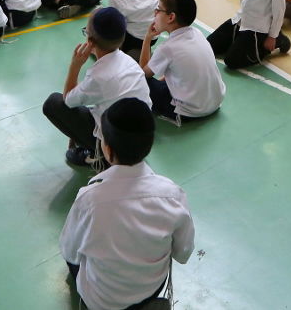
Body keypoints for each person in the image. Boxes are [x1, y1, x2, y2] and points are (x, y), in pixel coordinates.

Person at [59, 98, 195, 310]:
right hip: (151, 292)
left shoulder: (89, 199)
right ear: (149, 145)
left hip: (102, 302)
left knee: (74, 257)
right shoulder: (173, 196)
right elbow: (183, 253)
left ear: (108, 150)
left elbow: (70, 250)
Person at [42, 7, 151, 168]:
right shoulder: (130, 63)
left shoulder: (98, 76)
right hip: (143, 139)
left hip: (116, 145)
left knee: (53, 103)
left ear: (90, 42)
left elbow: (68, 100)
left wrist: (75, 66)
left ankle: (98, 155)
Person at [139, 0, 225, 123]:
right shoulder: (197, 33)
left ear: (171, 17)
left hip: (189, 112)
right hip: (215, 101)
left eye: (158, 10)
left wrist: (147, 38)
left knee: (140, 82)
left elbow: (143, 74)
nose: (155, 14)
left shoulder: (167, 48)